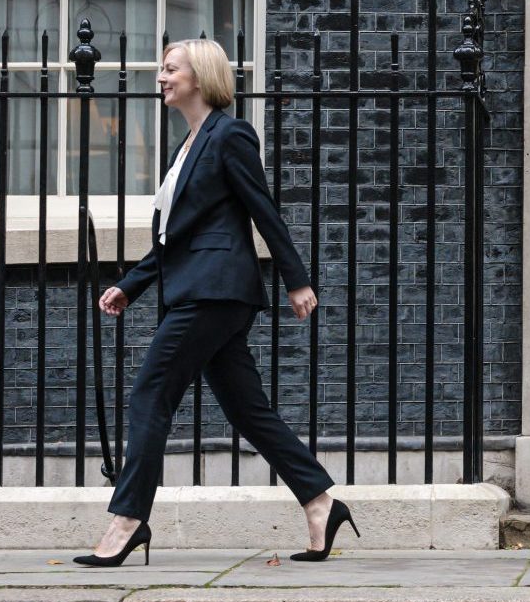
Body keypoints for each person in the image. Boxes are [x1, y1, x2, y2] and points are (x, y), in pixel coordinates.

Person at [75, 38, 354, 567]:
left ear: (200, 77)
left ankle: (128, 520)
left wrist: (296, 279)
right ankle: (320, 501)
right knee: (247, 409)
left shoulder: (230, 135)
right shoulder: (187, 145)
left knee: (150, 395)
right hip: (202, 290)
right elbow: (175, 238)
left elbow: (262, 209)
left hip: (214, 292)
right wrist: (131, 285)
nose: (160, 76)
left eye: (169, 68)